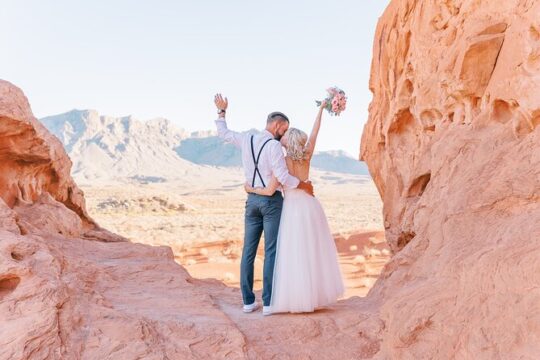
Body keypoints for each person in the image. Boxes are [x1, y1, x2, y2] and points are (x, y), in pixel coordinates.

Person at [213, 94, 314, 316]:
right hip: (271, 202)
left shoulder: (247, 138)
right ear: (277, 125)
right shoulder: (275, 147)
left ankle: (248, 302)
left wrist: (222, 112)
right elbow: (284, 178)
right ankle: (268, 303)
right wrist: (303, 185)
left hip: (252, 201)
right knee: (271, 251)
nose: (284, 134)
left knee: (248, 250)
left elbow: (223, 133)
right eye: (284, 130)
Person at [245, 100, 344, 314]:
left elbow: (270, 189)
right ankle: (311, 296)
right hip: (309, 206)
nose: (282, 136)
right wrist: (320, 111)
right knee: (310, 251)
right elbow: (315, 132)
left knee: (291, 253)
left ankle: (292, 298)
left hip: (290, 209)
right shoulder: (306, 155)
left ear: (288, 141)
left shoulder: (281, 160)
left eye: (286, 135)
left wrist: (251, 188)